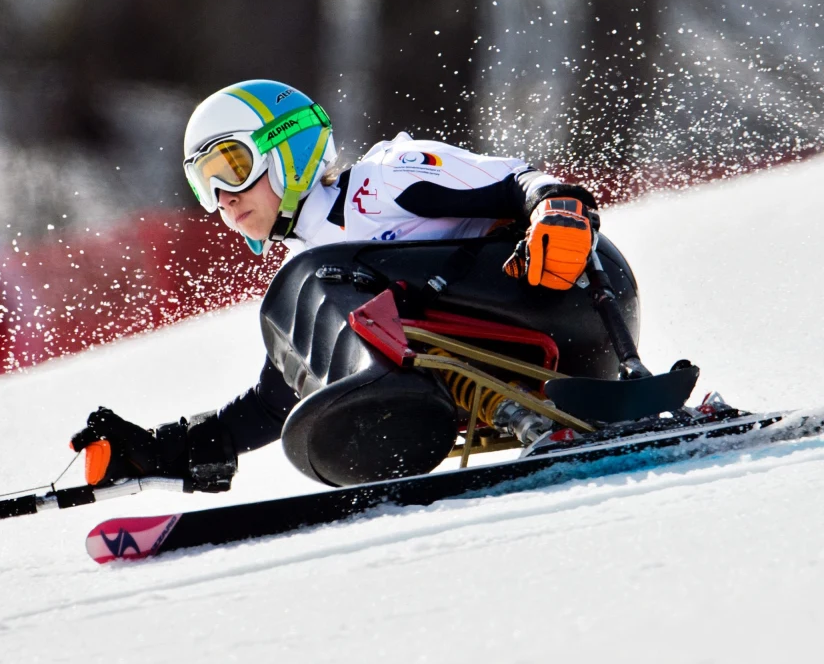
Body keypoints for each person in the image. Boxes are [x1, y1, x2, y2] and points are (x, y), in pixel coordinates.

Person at [69, 78, 612, 491]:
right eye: (203, 182)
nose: (223, 197)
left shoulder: (381, 182)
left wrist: (555, 205)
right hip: (507, 352)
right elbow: (277, 397)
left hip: (567, 295)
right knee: (303, 304)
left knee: (309, 283)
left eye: (231, 166)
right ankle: (476, 414)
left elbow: (514, 180)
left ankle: (395, 404)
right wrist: (168, 450)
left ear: (287, 148)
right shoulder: (318, 278)